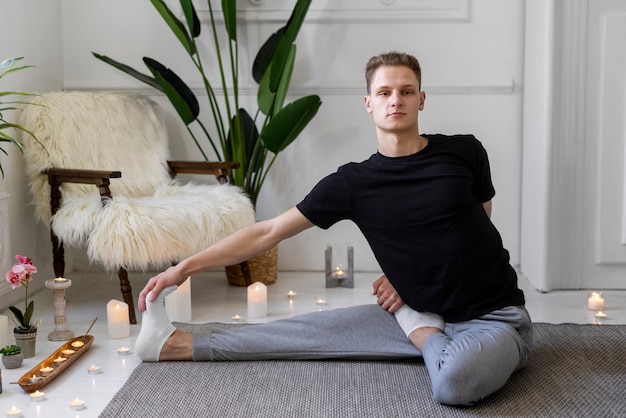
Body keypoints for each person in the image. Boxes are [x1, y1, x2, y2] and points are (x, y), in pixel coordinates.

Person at [135, 51, 533, 406]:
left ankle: (422, 333)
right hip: (422, 303)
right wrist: (182, 268)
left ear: (421, 99)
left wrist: (419, 281)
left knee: (454, 385)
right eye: (384, 92)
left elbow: (479, 217)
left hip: (493, 316)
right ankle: (173, 345)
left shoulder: (464, 151)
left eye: (407, 91)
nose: (396, 100)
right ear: (368, 103)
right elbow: (267, 232)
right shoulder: (353, 183)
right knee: (305, 334)